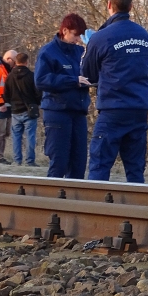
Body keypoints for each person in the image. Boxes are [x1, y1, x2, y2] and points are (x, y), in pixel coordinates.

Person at [82, 0, 148, 183]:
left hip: (113, 109)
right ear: (131, 6)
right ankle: (136, 210)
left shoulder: (100, 37)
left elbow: (88, 74)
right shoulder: (144, 36)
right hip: (139, 108)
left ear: (109, 5)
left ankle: (97, 210)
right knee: (135, 168)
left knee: (99, 164)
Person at [34, 13, 91, 178]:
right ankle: (51, 201)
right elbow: (41, 80)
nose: (78, 39)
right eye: (75, 34)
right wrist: (73, 81)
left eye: (81, 35)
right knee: (59, 162)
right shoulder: (48, 52)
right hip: (57, 112)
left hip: (78, 112)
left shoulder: (80, 52)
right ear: (64, 31)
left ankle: (74, 202)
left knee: (79, 163)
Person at [3, 53, 42, 166]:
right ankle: (30, 161)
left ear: (15, 61)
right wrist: (36, 103)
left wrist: (12, 103)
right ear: (26, 62)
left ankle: (17, 160)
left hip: (15, 111)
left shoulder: (10, 76)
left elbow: (6, 94)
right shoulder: (31, 76)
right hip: (29, 110)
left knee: (16, 137)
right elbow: (38, 93)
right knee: (30, 137)